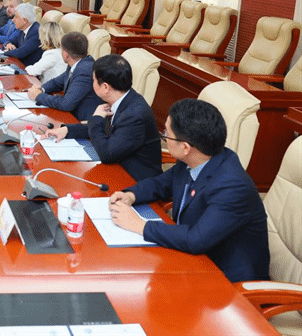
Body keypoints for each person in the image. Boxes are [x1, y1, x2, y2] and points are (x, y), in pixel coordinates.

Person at [109, 99, 269, 282]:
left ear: (185, 147)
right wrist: (131, 195)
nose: (164, 137)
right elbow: (161, 184)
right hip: (189, 260)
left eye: (166, 134)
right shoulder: (198, 157)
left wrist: (139, 225)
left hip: (224, 280)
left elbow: (196, 239)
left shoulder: (232, 186)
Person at [43, 54, 162, 181]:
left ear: (105, 87)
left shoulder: (134, 115)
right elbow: (104, 128)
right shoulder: (121, 98)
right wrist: (67, 130)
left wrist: (96, 118)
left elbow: (106, 153)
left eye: (93, 80)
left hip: (133, 179)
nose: (92, 83)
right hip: (116, 167)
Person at [28, 31, 103, 121]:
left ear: (66, 54)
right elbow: (57, 82)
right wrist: (41, 89)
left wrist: (39, 96)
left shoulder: (84, 71)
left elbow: (66, 104)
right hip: (71, 115)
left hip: (81, 122)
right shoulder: (77, 63)